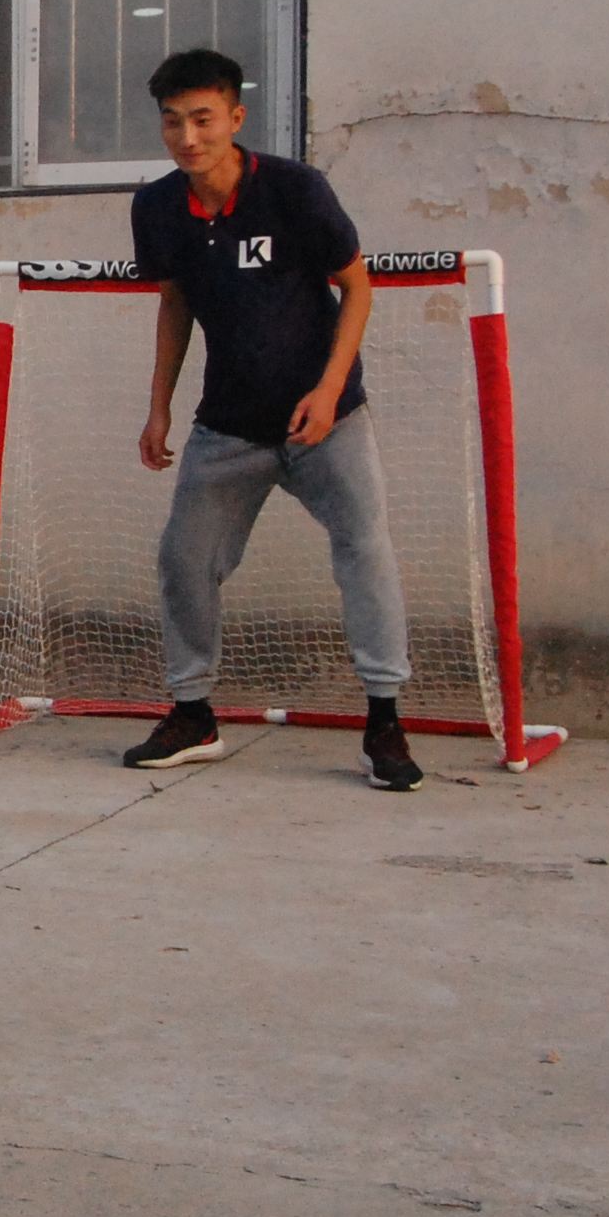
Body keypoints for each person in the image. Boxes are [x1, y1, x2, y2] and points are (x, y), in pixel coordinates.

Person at [122, 48, 421, 792]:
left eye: (202, 119)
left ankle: (384, 721)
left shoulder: (294, 190)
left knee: (364, 549)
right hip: (227, 424)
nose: (188, 137)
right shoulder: (157, 207)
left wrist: (327, 391)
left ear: (234, 118)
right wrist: (158, 406)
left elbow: (357, 288)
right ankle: (193, 713)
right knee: (185, 561)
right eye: (172, 122)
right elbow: (175, 305)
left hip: (326, 419)